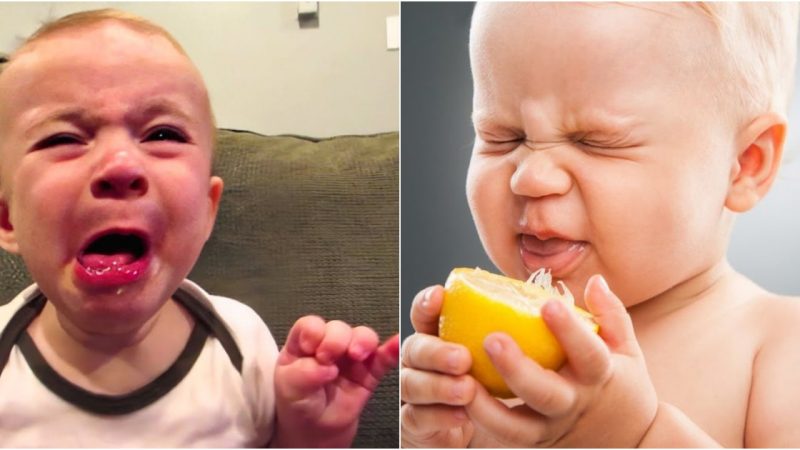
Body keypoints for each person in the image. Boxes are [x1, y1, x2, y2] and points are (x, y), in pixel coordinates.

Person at [401, 2, 800, 447]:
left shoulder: (780, 348)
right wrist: (435, 437)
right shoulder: (489, 351)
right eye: (502, 136)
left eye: (595, 142)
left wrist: (637, 435)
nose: (529, 177)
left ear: (745, 164)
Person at [0, 9, 398, 447]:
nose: (121, 165)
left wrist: (313, 432)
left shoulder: (240, 345)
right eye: (63, 139)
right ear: (7, 219)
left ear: (208, 211)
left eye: (161, 134)